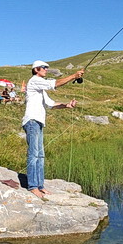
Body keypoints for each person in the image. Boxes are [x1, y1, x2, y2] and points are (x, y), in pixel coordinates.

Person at [22, 60, 84, 199]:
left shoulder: (40, 89)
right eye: (44, 68)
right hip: (31, 121)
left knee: (41, 156)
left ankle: (40, 186)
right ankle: (33, 187)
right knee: (34, 154)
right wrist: (74, 76)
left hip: (38, 123)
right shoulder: (34, 81)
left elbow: (51, 104)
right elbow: (55, 84)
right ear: (36, 69)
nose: (46, 70)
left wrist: (66, 105)